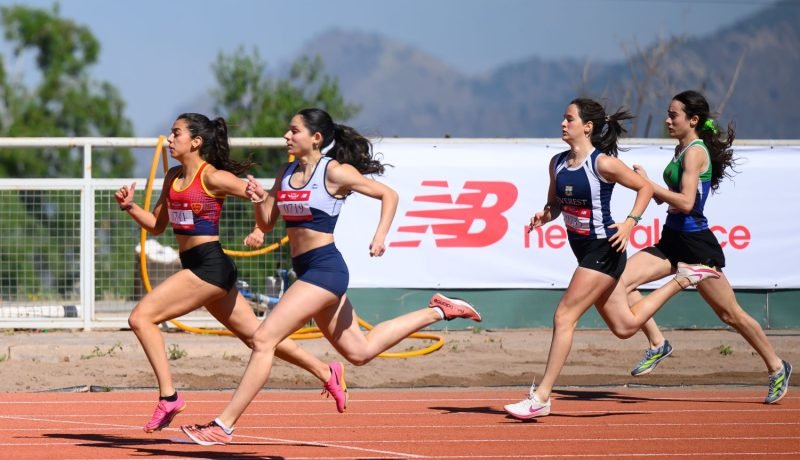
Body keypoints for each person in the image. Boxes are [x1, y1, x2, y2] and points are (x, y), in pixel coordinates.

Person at [180, 107, 482, 445]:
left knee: (264, 339)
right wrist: (258, 199)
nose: (286, 136)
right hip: (307, 271)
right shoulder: (285, 172)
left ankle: (224, 425)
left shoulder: (334, 172)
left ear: (316, 138)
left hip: (326, 270)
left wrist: (380, 236)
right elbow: (268, 220)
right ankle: (440, 309)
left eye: (294, 131)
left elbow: (389, 194)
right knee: (360, 352)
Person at [114, 113, 349, 433]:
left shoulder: (213, 178)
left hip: (209, 268)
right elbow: (157, 226)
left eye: (175, 134)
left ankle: (169, 397)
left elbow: (261, 196)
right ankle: (326, 372)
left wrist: (260, 228)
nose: (169, 139)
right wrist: (130, 208)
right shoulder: (172, 178)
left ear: (195, 142)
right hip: (199, 267)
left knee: (141, 318)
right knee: (259, 339)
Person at [503, 98, 721, 420]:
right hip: (586, 251)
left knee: (564, 316)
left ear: (587, 127)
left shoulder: (602, 163)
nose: (563, 124)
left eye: (570, 119)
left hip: (604, 250)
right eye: (563, 119)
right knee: (625, 326)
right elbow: (556, 204)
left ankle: (542, 397)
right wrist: (544, 216)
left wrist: (631, 223)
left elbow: (644, 188)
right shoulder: (558, 163)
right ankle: (682, 279)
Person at [622, 90, 792, 403]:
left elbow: (687, 203)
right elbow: (675, 199)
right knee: (621, 279)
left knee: (730, 315)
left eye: (674, 115)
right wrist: (652, 186)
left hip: (697, 248)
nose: (667, 120)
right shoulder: (680, 148)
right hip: (671, 241)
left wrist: (650, 187)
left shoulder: (695, 152)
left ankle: (776, 365)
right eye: (668, 113)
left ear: (694, 120)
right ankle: (658, 343)